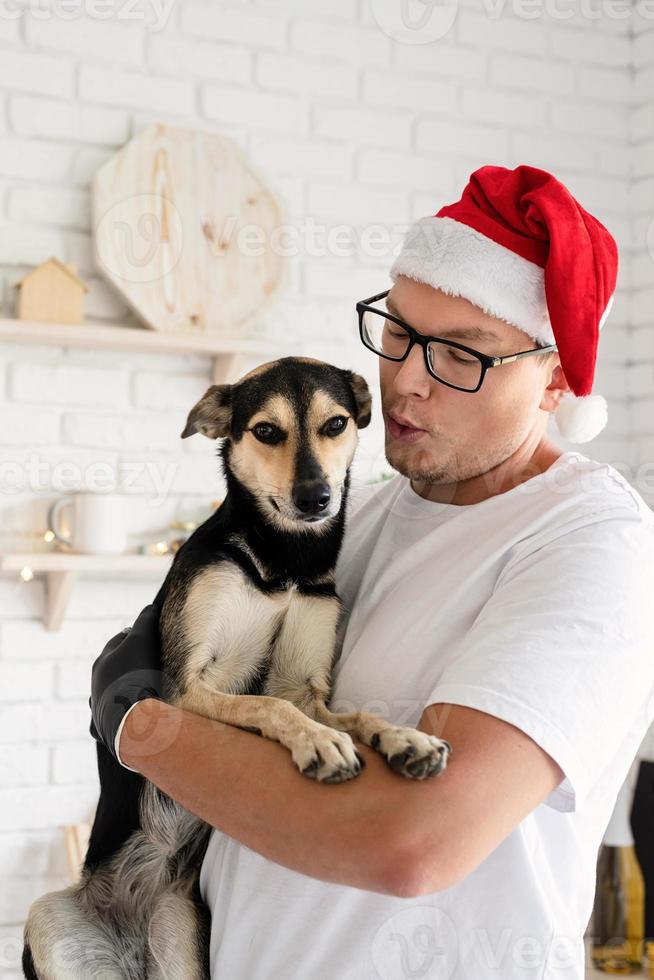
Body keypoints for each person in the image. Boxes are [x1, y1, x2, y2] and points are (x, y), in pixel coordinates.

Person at [90, 164, 654, 980]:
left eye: (462, 352)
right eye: (398, 332)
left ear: (557, 376)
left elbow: (413, 842)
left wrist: (139, 727)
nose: (409, 379)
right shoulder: (361, 522)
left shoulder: (594, 544)